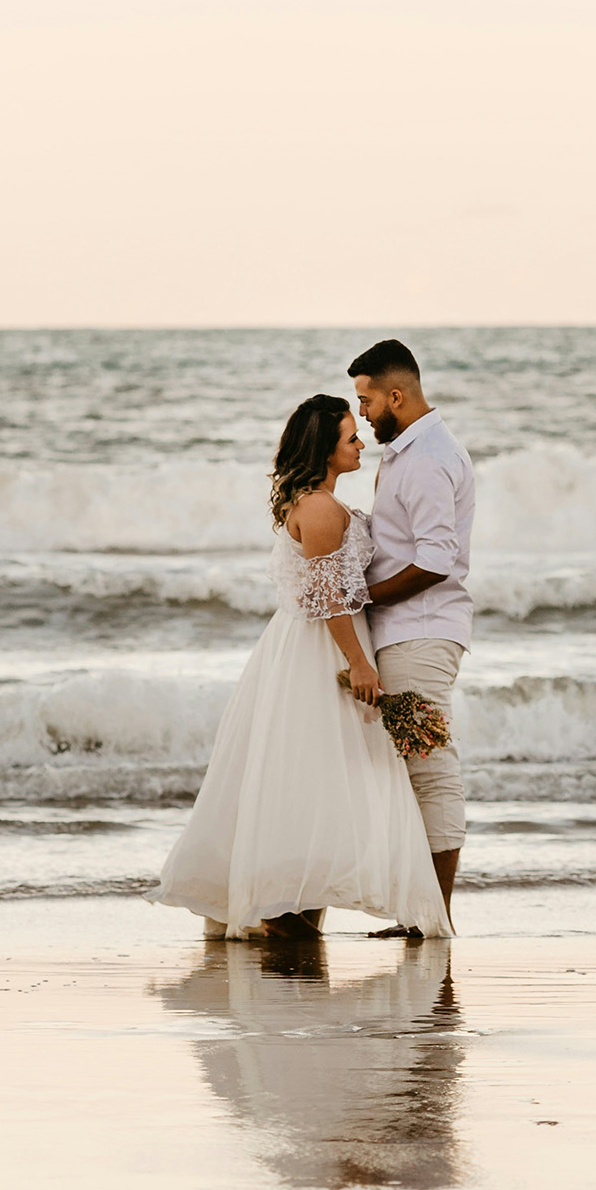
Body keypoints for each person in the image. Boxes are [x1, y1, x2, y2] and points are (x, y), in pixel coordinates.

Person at [145, 394, 452, 941]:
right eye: (349, 438)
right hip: (319, 650)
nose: (360, 445)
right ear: (325, 451)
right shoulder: (318, 508)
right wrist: (359, 664)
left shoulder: (322, 503)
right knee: (309, 771)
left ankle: (298, 902)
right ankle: (283, 906)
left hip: (312, 643)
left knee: (312, 774)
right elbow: (329, 596)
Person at [348, 341, 474, 933]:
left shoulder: (425, 458)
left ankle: (434, 917)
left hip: (420, 635)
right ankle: (419, 912)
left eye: (367, 400)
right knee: (415, 768)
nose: (365, 413)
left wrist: (363, 597)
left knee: (430, 768)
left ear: (396, 395)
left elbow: (436, 560)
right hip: (406, 633)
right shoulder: (408, 453)